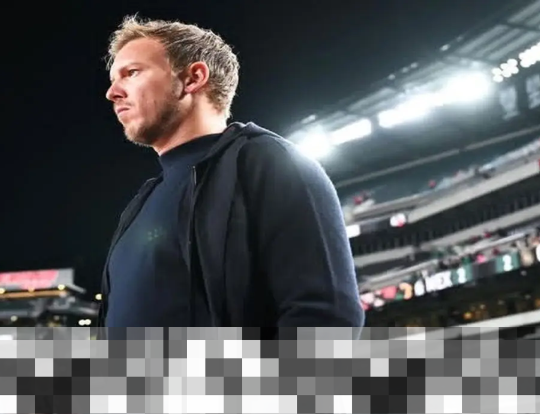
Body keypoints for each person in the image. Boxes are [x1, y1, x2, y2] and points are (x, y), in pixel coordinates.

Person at [99, 15, 364, 337]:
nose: (112, 92)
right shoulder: (140, 204)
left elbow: (326, 318)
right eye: (113, 79)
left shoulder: (268, 163)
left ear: (193, 77)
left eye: (132, 73)